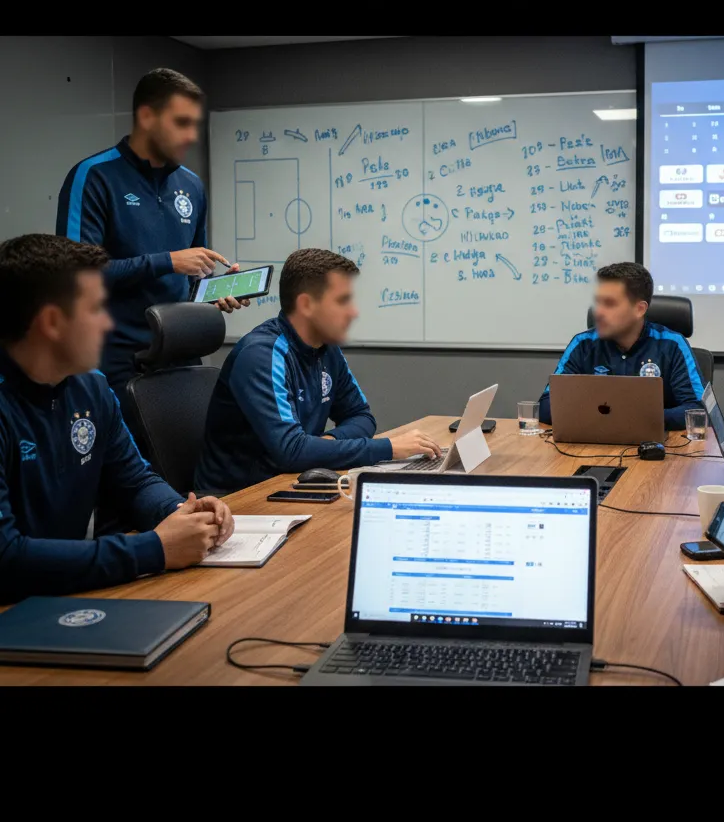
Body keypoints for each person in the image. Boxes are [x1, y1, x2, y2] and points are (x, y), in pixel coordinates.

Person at [0, 234, 234, 604]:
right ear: (51, 322)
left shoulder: (92, 389)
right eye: (96, 310)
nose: (108, 325)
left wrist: (183, 512)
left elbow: (134, 481)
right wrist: (154, 549)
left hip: (58, 601)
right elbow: (6, 557)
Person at [55, 68, 246, 410]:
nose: (191, 135)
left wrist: (214, 292)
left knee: (188, 462)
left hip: (180, 355)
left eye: (195, 125)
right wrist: (167, 261)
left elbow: (189, 282)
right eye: (181, 123)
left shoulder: (191, 185)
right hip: (113, 362)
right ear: (146, 116)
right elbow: (75, 276)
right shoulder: (95, 176)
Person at [195, 249, 442, 496]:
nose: (353, 311)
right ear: (307, 305)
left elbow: (361, 416)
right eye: (342, 301)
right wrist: (388, 448)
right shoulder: (261, 355)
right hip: (240, 499)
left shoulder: (326, 347)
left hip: (294, 480)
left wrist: (326, 444)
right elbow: (292, 451)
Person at [538, 262, 704, 430]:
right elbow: (546, 404)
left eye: (609, 304)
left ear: (639, 309)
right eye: (598, 302)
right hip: (592, 444)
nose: (599, 312)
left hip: (655, 447)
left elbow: (697, 410)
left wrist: (636, 418)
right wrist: (605, 418)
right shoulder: (583, 344)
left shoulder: (672, 345)